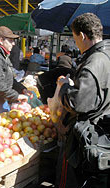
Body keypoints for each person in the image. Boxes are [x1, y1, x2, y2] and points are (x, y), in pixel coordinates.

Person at [54, 13, 110, 188]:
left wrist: (64, 87)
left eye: (75, 37)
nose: (75, 42)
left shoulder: (94, 62)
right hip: (103, 135)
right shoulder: (106, 53)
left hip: (87, 139)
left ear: (83, 36)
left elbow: (77, 103)